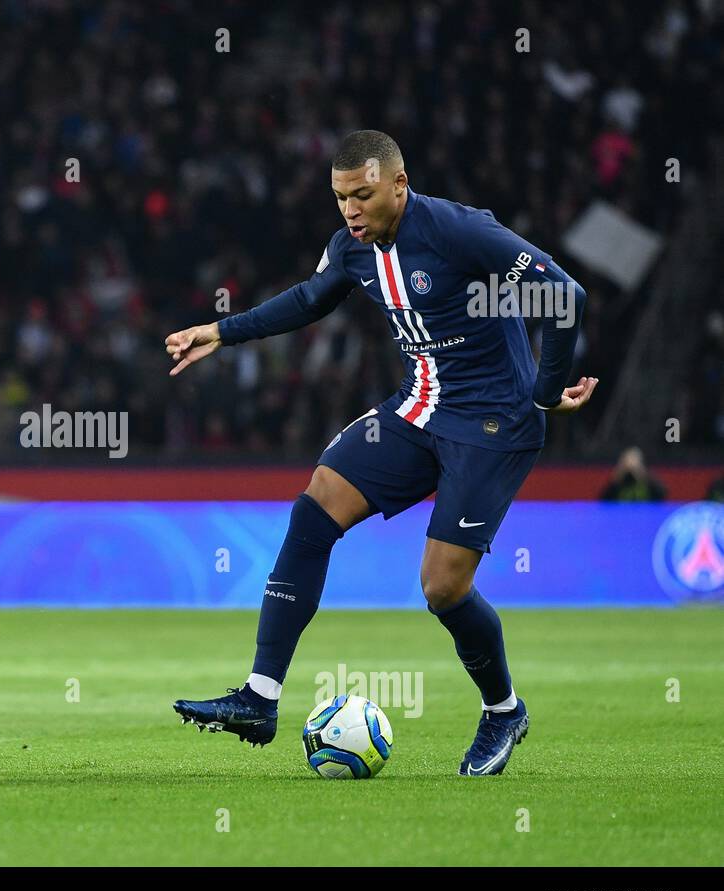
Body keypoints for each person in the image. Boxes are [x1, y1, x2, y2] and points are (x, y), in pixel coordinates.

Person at [167, 130, 597, 776]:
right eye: (341, 198)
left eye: (363, 195)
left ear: (400, 184)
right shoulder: (351, 248)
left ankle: (503, 709)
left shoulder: (458, 232)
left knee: (442, 587)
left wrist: (542, 394)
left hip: (492, 422)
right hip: (418, 409)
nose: (350, 211)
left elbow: (565, 295)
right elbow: (308, 300)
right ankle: (259, 698)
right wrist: (221, 333)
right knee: (315, 509)